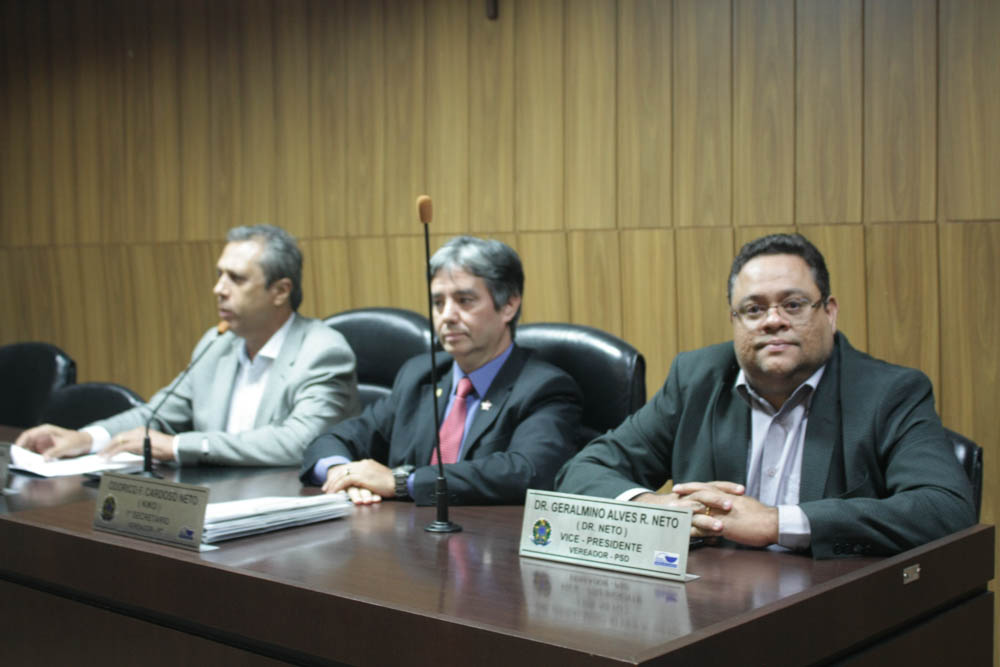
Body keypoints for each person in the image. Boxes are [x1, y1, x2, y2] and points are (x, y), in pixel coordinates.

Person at [556, 233, 976, 558]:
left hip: (833, 610)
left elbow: (946, 508)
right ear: (735, 320)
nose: (773, 321)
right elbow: (582, 471)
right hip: (713, 608)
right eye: (754, 309)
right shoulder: (697, 379)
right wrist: (655, 508)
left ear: (829, 313)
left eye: (793, 305)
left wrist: (778, 523)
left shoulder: (889, 392)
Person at [17, 224, 361, 466]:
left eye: (236, 278)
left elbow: (299, 442)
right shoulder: (217, 343)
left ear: (281, 291)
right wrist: (88, 439)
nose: (219, 289)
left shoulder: (321, 350)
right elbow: (158, 413)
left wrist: (180, 446)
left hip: (289, 510)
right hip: (213, 499)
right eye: (220, 274)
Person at [300, 236, 583, 505]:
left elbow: (528, 471)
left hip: (486, 534)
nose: (446, 316)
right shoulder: (420, 375)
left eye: (465, 300)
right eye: (438, 303)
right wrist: (342, 473)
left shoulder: (543, 387)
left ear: (508, 305)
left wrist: (402, 482)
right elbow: (333, 440)